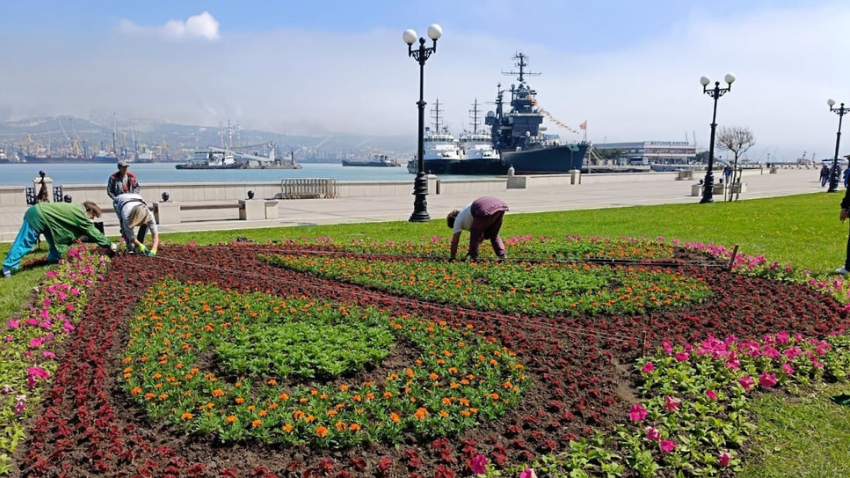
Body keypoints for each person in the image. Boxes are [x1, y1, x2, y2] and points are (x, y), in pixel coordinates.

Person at [2, 201, 117, 278]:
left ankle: (53, 259)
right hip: (38, 215)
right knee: (25, 242)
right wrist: (109, 244)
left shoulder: (76, 209)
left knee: (53, 239)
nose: (92, 220)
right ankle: (7, 267)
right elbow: (93, 232)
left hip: (44, 216)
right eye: (93, 217)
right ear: (89, 211)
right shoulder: (81, 215)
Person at [446, 196, 509, 261]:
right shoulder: (466, 214)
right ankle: (503, 256)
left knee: (475, 233)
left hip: (484, 209)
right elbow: (481, 237)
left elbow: (455, 242)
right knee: (494, 235)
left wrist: (452, 257)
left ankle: (473, 259)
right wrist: (470, 252)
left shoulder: (457, 220)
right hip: (500, 206)